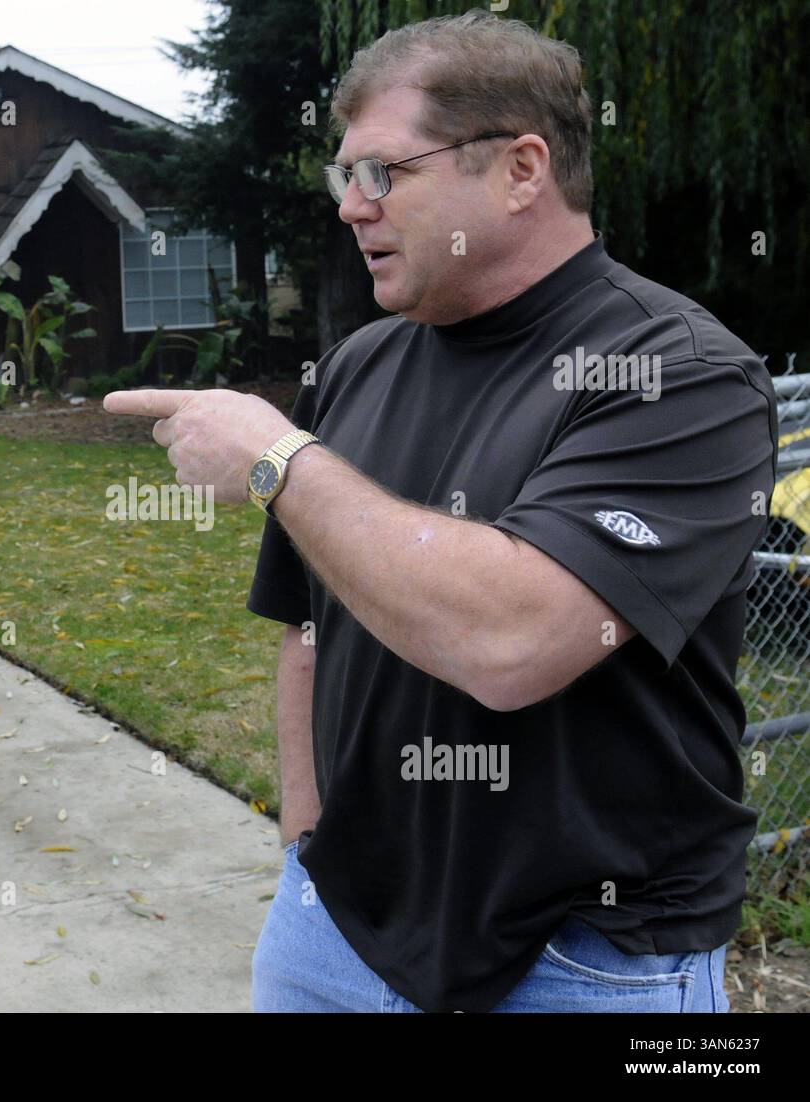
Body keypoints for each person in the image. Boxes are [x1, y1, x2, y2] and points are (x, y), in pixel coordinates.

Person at [102, 8, 777, 1013]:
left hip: (587, 965)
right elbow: (307, 622)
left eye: (383, 172)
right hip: (332, 932)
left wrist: (277, 460)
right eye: (343, 178)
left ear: (519, 169)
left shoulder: (677, 373)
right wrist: (302, 833)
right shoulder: (358, 364)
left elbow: (513, 640)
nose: (350, 207)